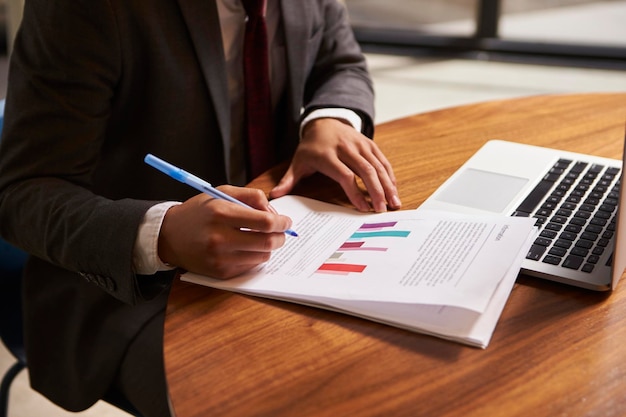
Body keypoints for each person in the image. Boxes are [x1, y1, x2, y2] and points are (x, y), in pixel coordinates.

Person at [0, 0, 401, 416]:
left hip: (281, 257)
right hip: (124, 292)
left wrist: (330, 119)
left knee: (380, 375)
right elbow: (23, 192)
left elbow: (341, 63)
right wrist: (162, 235)